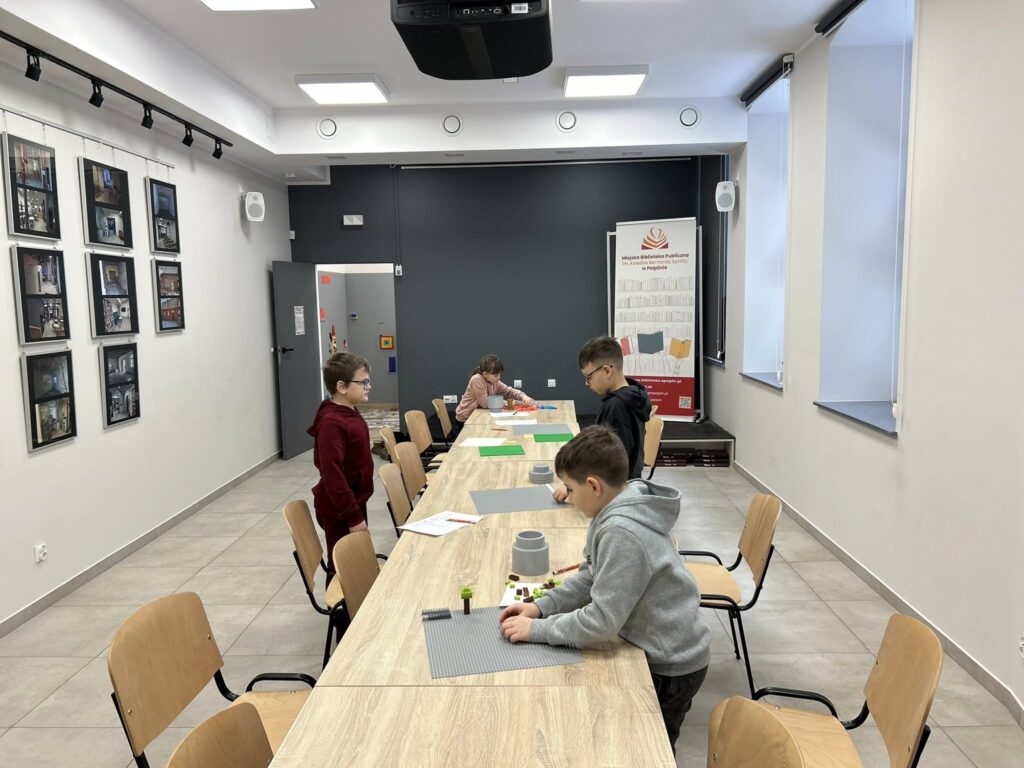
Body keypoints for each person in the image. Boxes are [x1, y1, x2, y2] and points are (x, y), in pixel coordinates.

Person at [500, 426, 710, 753]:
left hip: (669, 662)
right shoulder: (614, 508)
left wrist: (537, 630)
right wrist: (543, 606)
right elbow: (591, 576)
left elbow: (601, 622)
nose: (568, 497)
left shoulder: (621, 532)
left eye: (570, 489)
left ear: (594, 486)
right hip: (653, 641)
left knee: (647, 749)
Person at [553, 336, 651, 502]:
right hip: (630, 486)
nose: (587, 383)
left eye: (588, 376)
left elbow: (605, 460)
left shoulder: (616, 406)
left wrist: (572, 486)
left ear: (606, 371)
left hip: (615, 495)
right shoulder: (633, 396)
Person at [307, 352, 375, 573]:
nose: (369, 387)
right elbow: (333, 475)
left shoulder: (349, 410)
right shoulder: (332, 423)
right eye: (363, 382)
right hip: (340, 509)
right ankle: (339, 596)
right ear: (342, 387)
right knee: (342, 568)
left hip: (354, 501)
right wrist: (353, 517)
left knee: (356, 562)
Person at [453, 354, 534, 433]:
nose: (499, 377)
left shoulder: (494, 381)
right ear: (485, 374)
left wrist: (523, 396)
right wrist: (508, 403)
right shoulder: (476, 379)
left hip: (478, 416)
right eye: (496, 375)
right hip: (466, 418)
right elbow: (485, 403)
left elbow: (509, 391)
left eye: (499, 375)